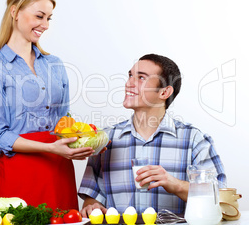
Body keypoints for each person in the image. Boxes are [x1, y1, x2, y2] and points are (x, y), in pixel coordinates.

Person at [0, 0, 94, 210]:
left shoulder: (55, 65)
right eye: (39, 16)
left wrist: (82, 141)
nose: (45, 25)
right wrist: (51, 148)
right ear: (15, 11)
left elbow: (63, 122)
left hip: (58, 171)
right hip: (20, 173)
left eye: (49, 18)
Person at [78, 54, 226, 216]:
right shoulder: (104, 139)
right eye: (130, 76)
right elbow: (91, 197)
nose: (129, 84)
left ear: (164, 92)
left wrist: (175, 184)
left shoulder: (194, 140)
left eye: (141, 78)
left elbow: (220, 197)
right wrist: (93, 206)